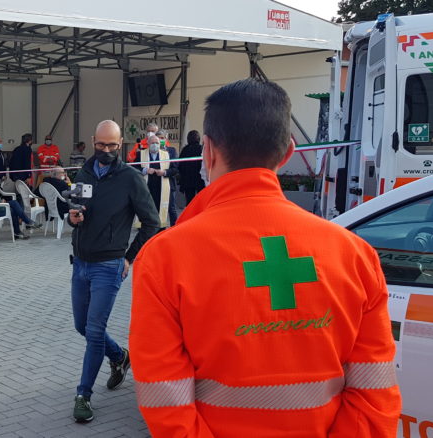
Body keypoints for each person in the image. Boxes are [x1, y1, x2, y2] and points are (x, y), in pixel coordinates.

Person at [129, 79, 401, 437]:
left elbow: (164, 398)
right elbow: (375, 393)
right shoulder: (354, 253)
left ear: (207, 150)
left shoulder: (164, 258)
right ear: (288, 152)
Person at [67, 120, 159, 423]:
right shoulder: (83, 173)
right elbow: (75, 211)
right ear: (93, 140)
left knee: (94, 331)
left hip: (109, 266)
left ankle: (83, 394)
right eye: (101, 144)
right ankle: (120, 356)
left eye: (112, 145)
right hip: (80, 263)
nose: (106, 150)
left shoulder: (130, 178)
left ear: (121, 145)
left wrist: (129, 258)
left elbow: (151, 223)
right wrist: (72, 219)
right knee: (82, 326)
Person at [0, 164, 40, 239]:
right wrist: (0, 202)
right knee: (14, 204)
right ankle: (27, 222)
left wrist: (0, 202)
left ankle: (20, 230)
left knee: (13, 208)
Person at [135, 134, 177, 227]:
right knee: (147, 210)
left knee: (161, 210)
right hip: (146, 187)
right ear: (148, 144)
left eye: (157, 143)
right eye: (152, 143)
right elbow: (134, 168)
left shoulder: (166, 154)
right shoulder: (140, 154)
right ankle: (147, 228)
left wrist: (164, 172)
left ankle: (160, 228)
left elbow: (174, 169)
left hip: (161, 188)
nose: (155, 145)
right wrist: (145, 170)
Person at [177, 130, 206, 207]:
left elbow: (180, 165)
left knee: (190, 201)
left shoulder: (185, 150)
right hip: (200, 179)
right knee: (202, 200)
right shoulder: (202, 149)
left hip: (188, 180)